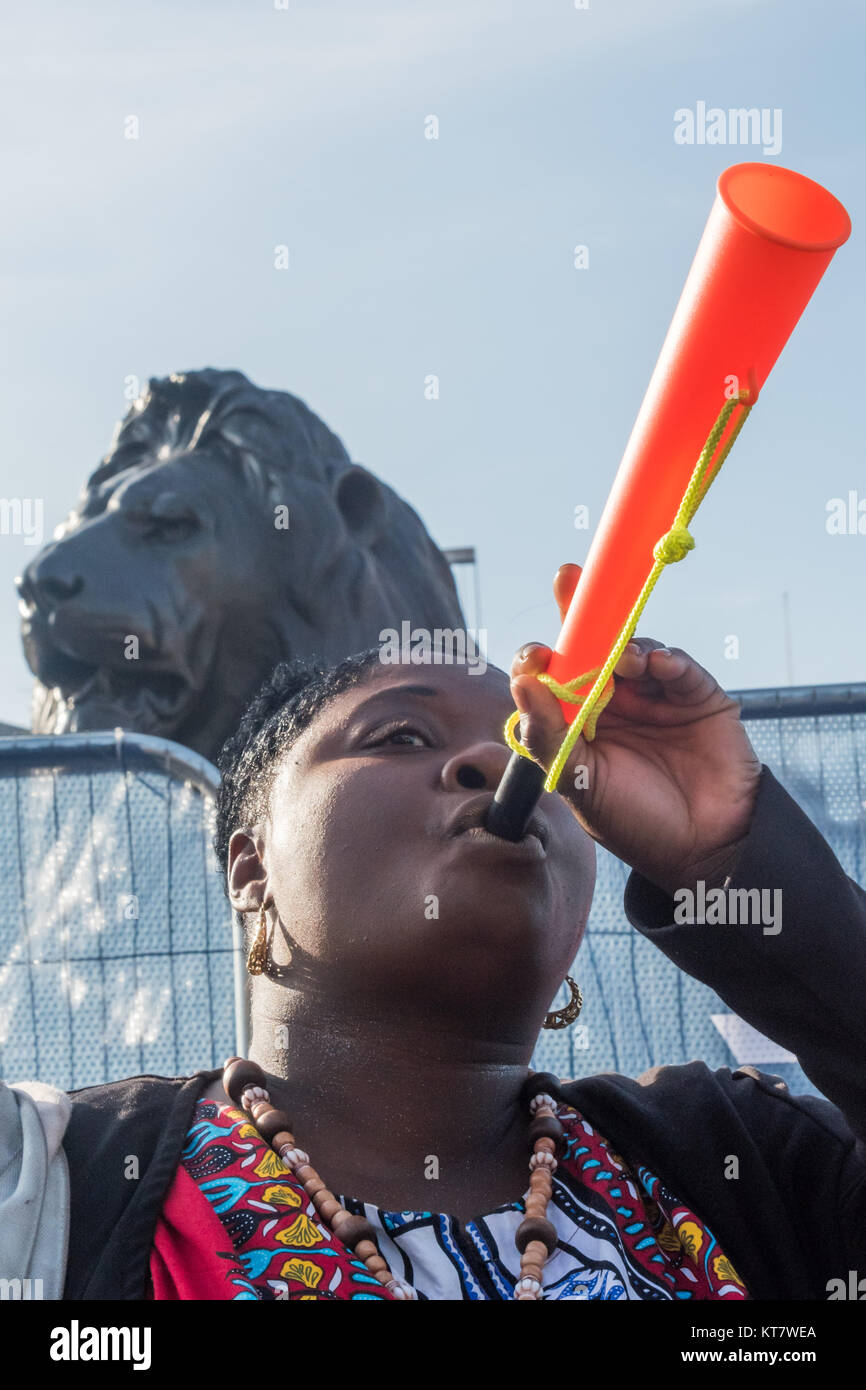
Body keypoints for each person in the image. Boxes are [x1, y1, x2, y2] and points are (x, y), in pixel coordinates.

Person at [4, 565, 866, 1301]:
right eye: (400, 734)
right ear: (251, 869)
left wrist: (738, 854)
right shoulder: (54, 1182)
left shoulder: (750, 1160)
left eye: (540, 753)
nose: (497, 762)